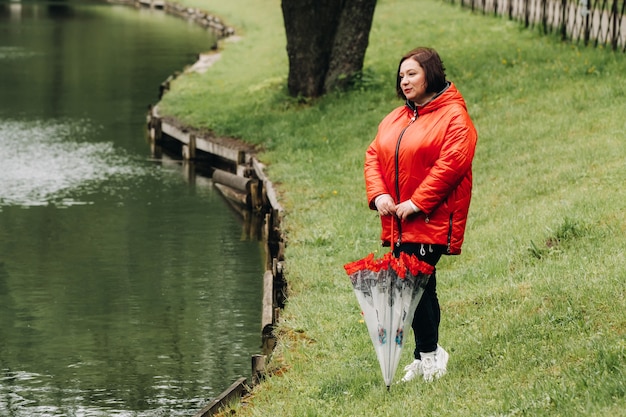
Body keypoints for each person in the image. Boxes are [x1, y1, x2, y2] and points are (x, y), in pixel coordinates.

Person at [364, 47, 477, 383]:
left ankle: (430, 354)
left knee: (410, 285)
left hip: (432, 218)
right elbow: (373, 155)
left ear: (431, 73)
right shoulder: (398, 117)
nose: (405, 81)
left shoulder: (454, 116)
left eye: (412, 73)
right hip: (401, 220)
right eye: (401, 76)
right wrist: (380, 194)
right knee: (418, 287)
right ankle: (425, 355)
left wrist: (416, 202)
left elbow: (452, 164)